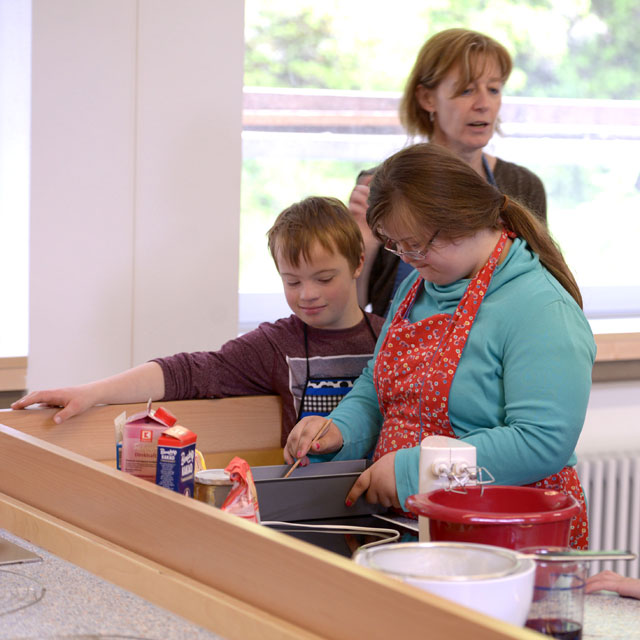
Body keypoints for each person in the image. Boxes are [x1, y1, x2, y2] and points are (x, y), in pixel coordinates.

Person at [284, 143, 595, 549]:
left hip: (507, 534)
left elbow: (541, 442)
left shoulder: (541, 307)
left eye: (415, 245)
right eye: (398, 247)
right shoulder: (419, 285)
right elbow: (378, 389)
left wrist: (412, 471)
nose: (410, 260)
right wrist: (338, 431)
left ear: (460, 218)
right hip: (420, 527)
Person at [11, 197, 385, 446]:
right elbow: (186, 372)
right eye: (292, 281)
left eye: (323, 279)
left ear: (357, 264)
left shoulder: (392, 336)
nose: (307, 294)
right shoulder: (275, 345)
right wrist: (92, 392)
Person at [351, 28, 547, 316]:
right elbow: (352, 308)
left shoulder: (522, 186)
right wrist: (363, 242)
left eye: (493, 89)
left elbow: (538, 291)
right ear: (427, 98)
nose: (483, 104)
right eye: (466, 90)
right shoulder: (380, 185)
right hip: (401, 356)